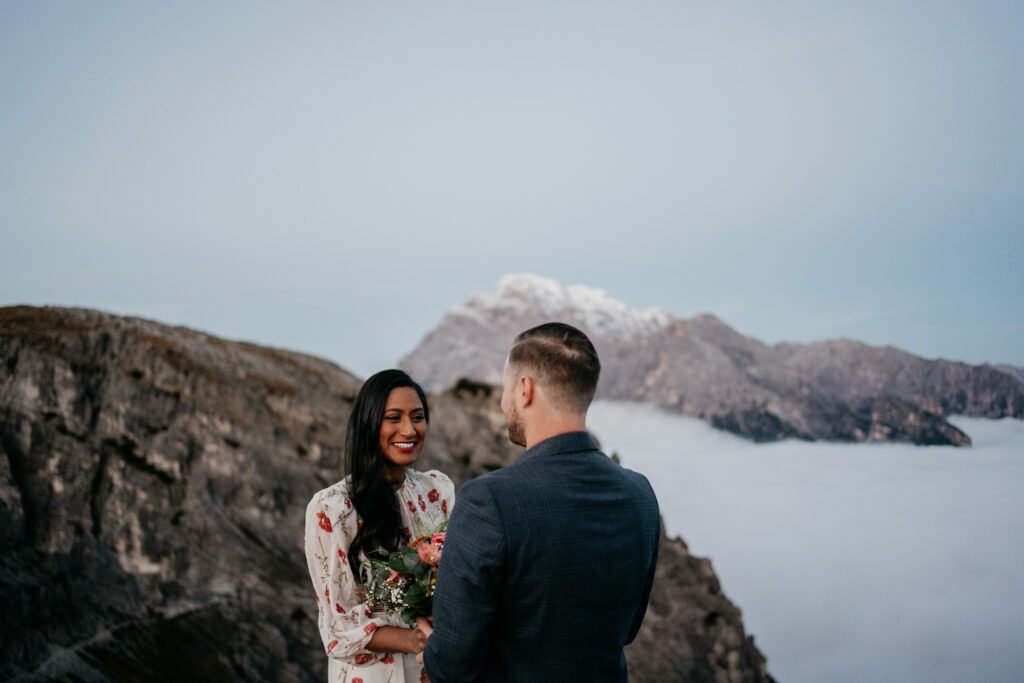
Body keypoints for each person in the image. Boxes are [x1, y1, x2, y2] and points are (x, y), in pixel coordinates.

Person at [419, 322, 661, 682]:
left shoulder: (488, 501)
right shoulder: (640, 494)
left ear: (524, 390)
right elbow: (626, 630)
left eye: (505, 390)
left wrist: (433, 644)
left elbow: (453, 665)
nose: (503, 403)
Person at [305, 369, 454, 683]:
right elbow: (337, 626)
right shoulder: (333, 508)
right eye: (394, 417)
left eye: (417, 417)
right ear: (369, 423)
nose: (409, 429)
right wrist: (410, 638)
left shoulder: (438, 491)